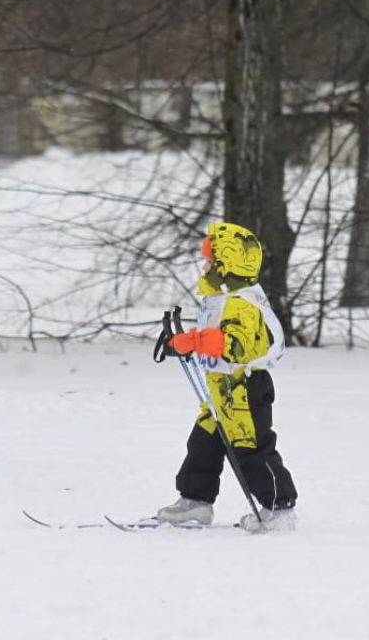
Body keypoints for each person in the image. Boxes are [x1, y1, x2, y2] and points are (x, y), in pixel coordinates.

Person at [157, 222, 298, 530]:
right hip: (221, 390)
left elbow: (236, 345)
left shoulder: (241, 304)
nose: (205, 266)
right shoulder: (222, 300)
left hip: (243, 390)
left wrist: (194, 341)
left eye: (210, 260)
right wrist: (186, 342)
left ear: (227, 264)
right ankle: (196, 501)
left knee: (251, 447)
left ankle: (280, 508)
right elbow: (216, 339)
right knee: (204, 442)